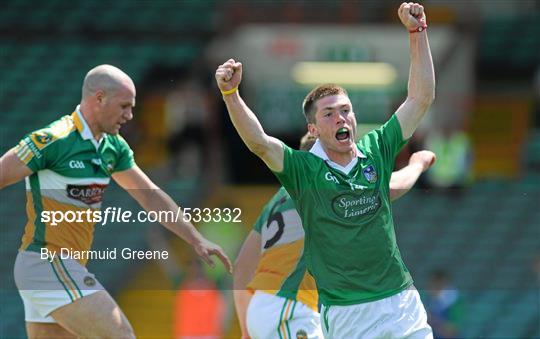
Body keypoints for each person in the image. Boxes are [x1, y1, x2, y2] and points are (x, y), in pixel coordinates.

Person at [216, 1, 435, 336]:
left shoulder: (376, 148)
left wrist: (417, 32)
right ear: (314, 130)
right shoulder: (303, 172)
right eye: (329, 113)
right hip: (346, 315)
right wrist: (231, 94)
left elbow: (419, 99)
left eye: (346, 110)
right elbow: (259, 142)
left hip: (401, 302)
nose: (341, 118)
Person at [0, 64, 232, 339]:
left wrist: (195, 238)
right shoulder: (53, 140)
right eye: (124, 106)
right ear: (99, 98)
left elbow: (151, 196)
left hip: (62, 268)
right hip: (47, 264)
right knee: (121, 334)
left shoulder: (114, 146)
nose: (129, 115)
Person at [234, 132, 436, 339]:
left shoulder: (276, 201)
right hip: (290, 307)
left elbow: (242, 265)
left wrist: (245, 328)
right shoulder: (320, 186)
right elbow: (389, 188)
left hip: (263, 305)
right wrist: (416, 165)